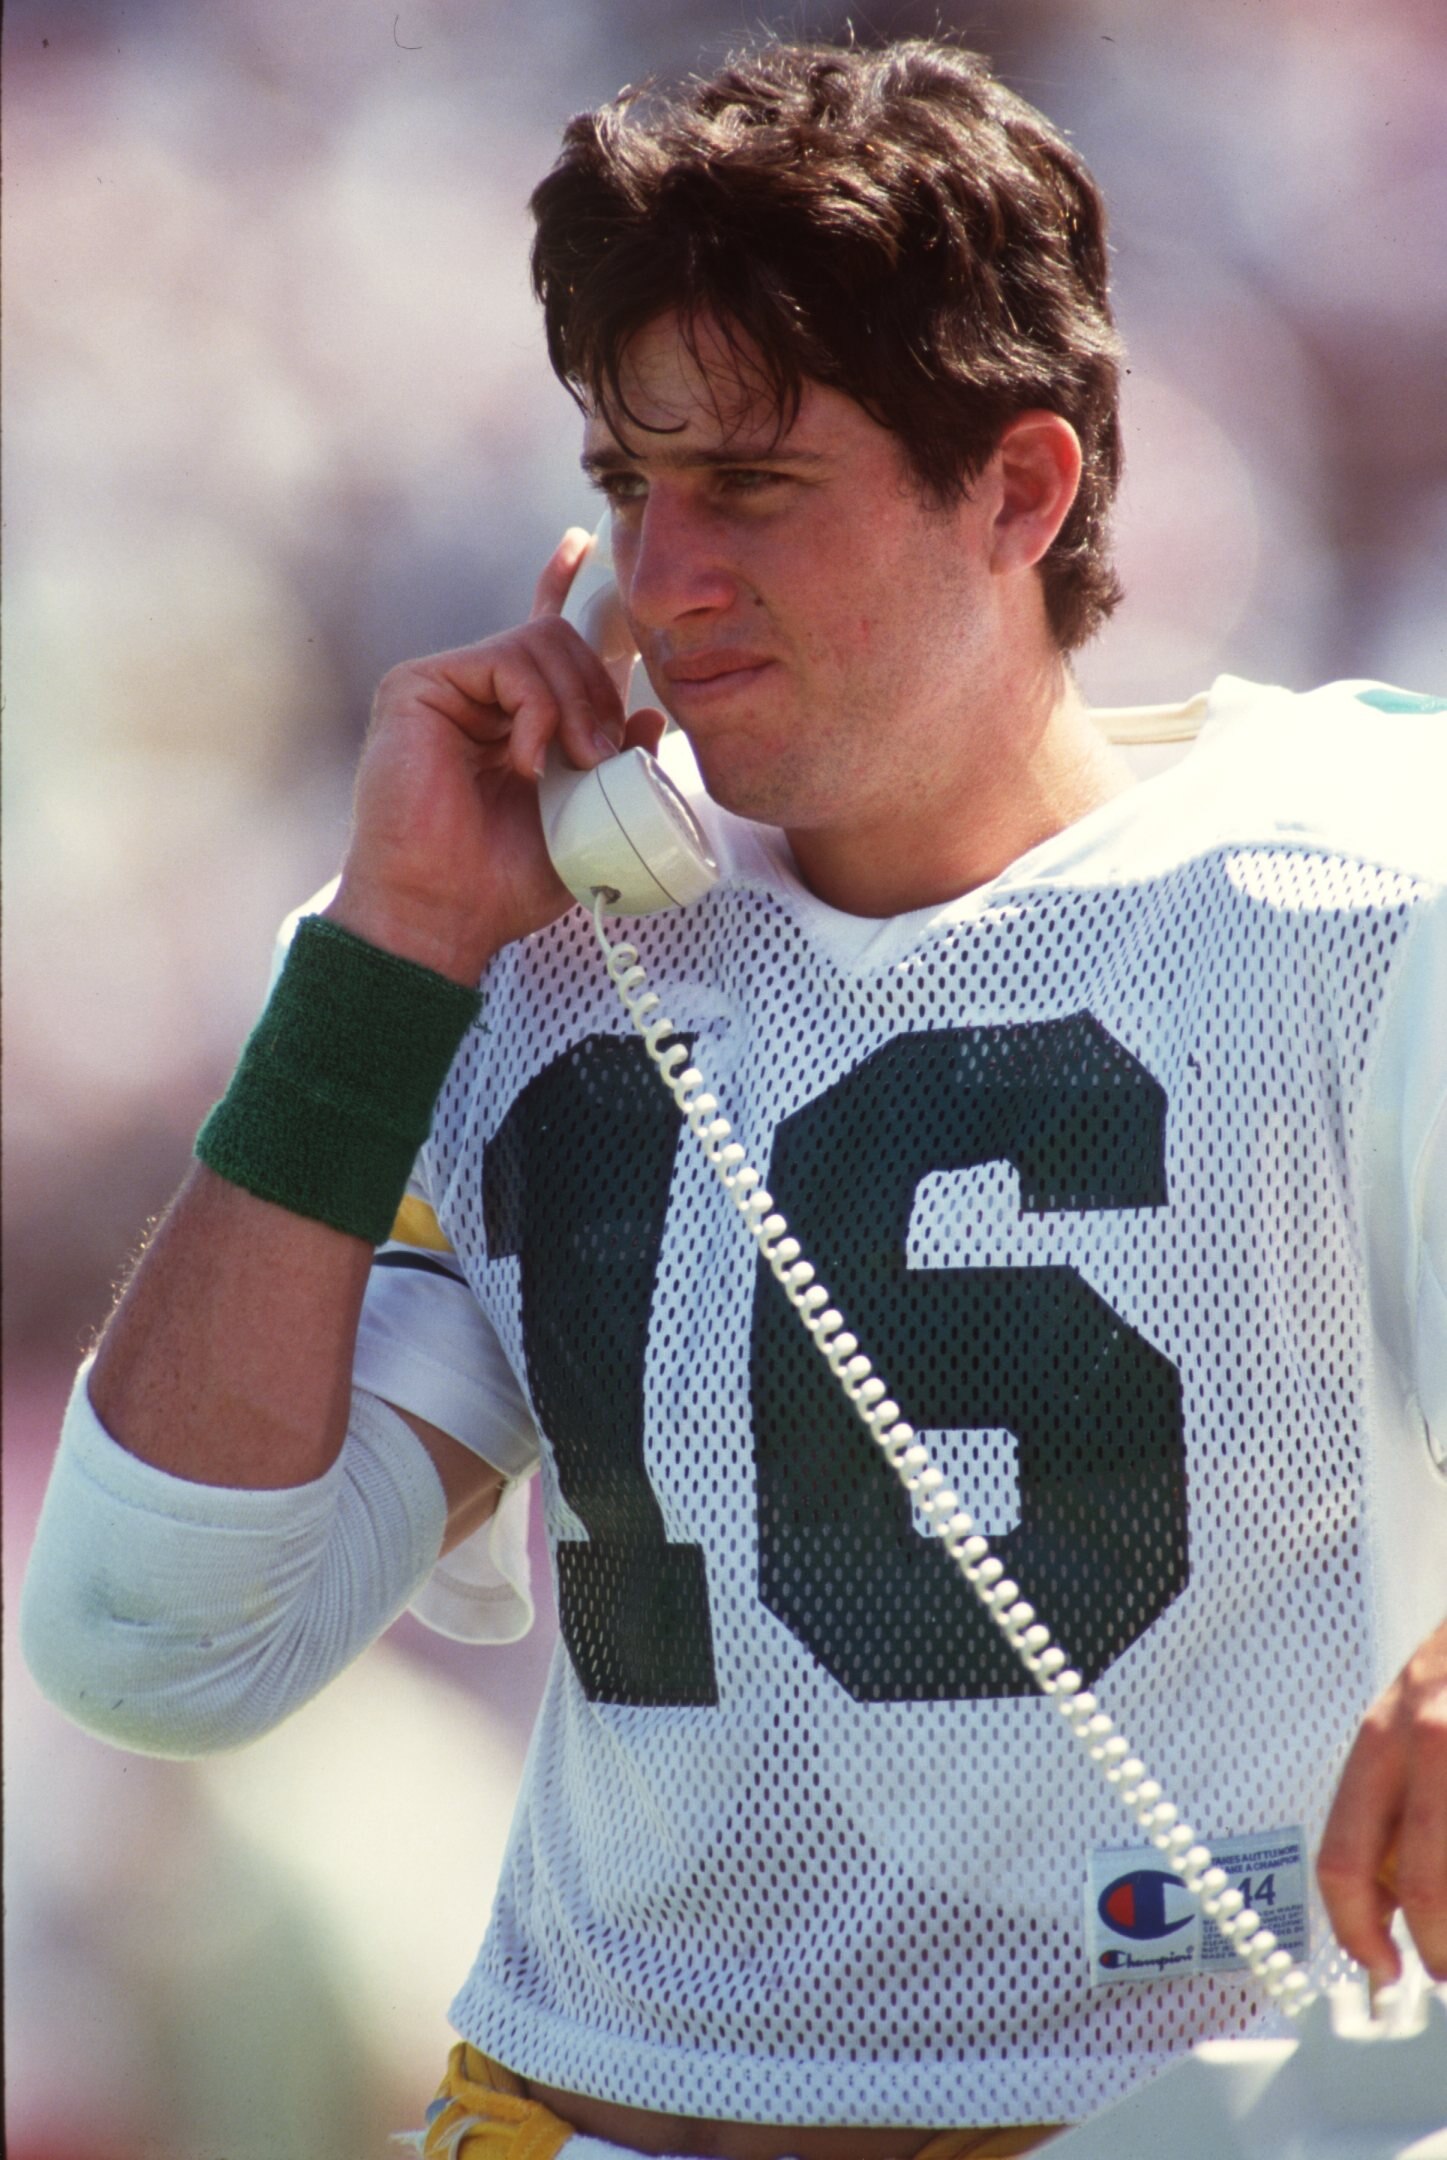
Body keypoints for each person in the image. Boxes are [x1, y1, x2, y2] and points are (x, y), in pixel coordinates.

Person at [21, 35, 1447, 2160]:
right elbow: (151, 1641)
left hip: (1206, 2115)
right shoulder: (509, 947)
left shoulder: (1365, 879)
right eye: (625, 484)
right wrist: (384, 963)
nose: (661, 572)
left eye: (752, 487)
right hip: (603, 2111)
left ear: (1021, 489)